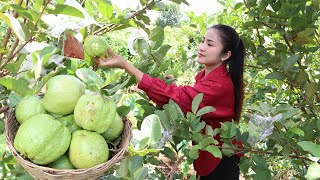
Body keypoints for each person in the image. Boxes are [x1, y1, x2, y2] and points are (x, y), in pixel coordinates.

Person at [97, 24, 245, 180]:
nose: (202, 47)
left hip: (220, 160)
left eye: (210, 44)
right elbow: (186, 98)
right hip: (210, 155)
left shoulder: (219, 85)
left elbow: (175, 97)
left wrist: (126, 65)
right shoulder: (207, 77)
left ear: (225, 55)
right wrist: (172, 86)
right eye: (202, 41)